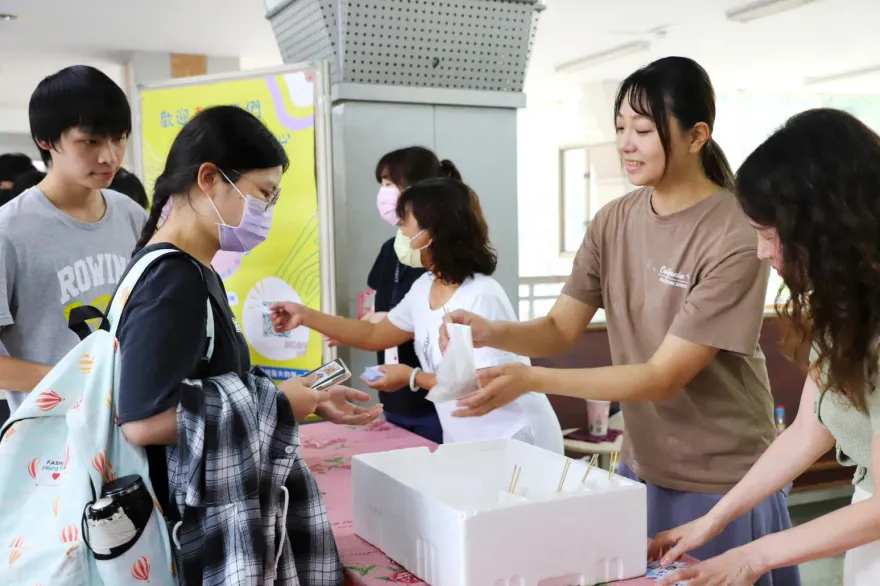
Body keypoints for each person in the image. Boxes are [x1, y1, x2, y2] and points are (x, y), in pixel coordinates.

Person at [441, 56, 799, 585]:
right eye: (619, 128)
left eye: (644, 129)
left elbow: (662, 376)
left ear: (697, 135)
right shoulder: (613, 220)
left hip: (723, 477)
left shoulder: (734, 231)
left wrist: (532, 378)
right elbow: (560, 328)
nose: (626, 143)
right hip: (641, 468)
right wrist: (492, 331)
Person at [116, 105, 381, 516]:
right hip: (183, 523)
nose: (267, 212)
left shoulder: (191, 271)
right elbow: (144, 422)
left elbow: (208, 385)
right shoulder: (173, 280)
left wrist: (303, 395)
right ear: (208, 179)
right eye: (263, 193)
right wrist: (275, 405)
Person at [652, 108, 880, 586]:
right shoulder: (844, 303)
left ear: (826, 228)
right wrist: (712, 521)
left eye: (768, 236)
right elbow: (807, 431)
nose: (761, 252)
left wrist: (751, 558)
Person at [271, 177, 564, 452]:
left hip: (515, 436)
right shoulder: (424, 286)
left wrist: (411, 377)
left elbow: (488, 382)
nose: (401, 233)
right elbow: (375, 334)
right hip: (469, 440)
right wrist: (305, 315)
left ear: (433, 232)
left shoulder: (482, 294)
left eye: (404, 224)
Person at [0, 65, 147, 415]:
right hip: (51, 447)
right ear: (46, 141)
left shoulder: (132, 216)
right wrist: (77, 381)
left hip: (134, 427)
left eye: (120, 137)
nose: (110, 155)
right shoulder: (9, 231)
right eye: (91, 141)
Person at [366, 146, 462, 443]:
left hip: (434, 400)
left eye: (389, 184)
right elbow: (375, 307)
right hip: (394, 395)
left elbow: (447, 325)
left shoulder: (445, 260)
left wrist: (389, 324)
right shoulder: (391, 248)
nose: (384, 194)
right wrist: (367, 323)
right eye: (381, 184)